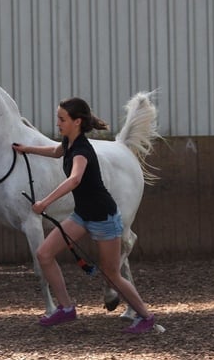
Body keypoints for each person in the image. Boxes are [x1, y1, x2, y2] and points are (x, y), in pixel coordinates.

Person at [13, 97, 156, 333]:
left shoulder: (81, 150)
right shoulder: (69, 143)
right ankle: (66, 308)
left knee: (111, 275)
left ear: (77, 122)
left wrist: (45, 202)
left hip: (103, 217)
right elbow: (56, 151)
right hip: (82, 215)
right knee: (44, 254)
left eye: (62, 119)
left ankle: (145, 316)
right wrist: (27, 149)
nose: (57, 123)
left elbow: (75, 179)